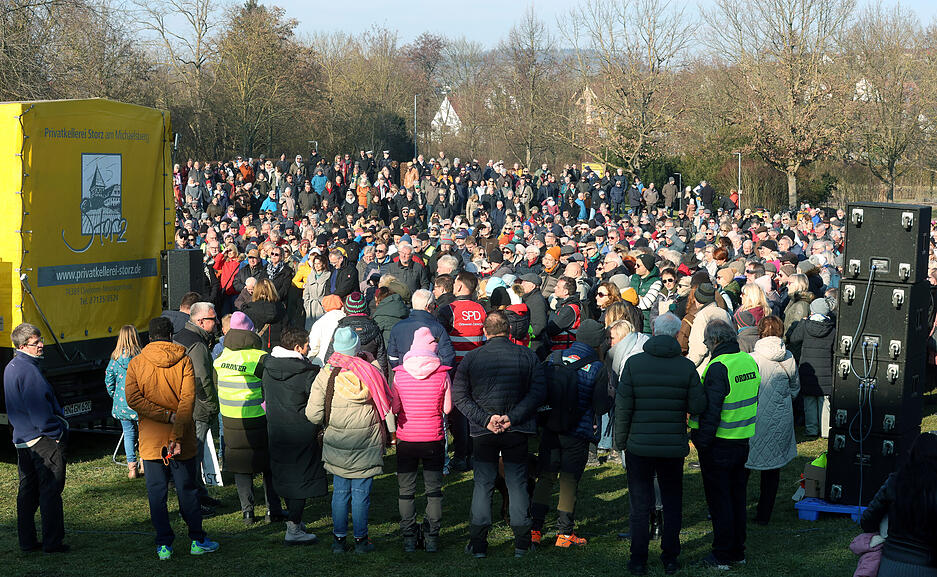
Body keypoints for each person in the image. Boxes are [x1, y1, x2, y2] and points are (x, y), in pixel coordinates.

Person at [615, 313, 705, 575]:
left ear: (653, 331)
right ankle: (670, 557)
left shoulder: (634, 364)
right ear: (677, 334)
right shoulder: (686, 367)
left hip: (639, 445)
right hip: (671, 445)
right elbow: (698, 405)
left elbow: (623, 407)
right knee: (672, 501)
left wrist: (620, 441)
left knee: (640, 503)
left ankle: (638, 559)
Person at [125, 317, 220, 561]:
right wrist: (174, 428)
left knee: (157, 494)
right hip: (182, 439)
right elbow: (188, 401)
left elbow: (133, 399)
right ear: (171, 335)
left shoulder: (137, 363)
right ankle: (197, 540)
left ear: (149, 337)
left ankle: (164, 544)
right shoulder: (184, 360)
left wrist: (162, 416)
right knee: (187, 491)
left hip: (152, 440)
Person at [453, 311, 546, 558]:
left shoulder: (472, 358)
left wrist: (486, 420)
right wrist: (510, 418)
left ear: (485, 332)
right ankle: (522, 543)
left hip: (486, 430)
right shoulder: (527, 355)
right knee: (517, 483)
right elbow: (538, 393)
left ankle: (479, 544)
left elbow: (460, 396)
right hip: (514, 428)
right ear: (509, 330)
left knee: (483, 484)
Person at [305, 327, 396, 554]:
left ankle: (338, 540)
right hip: (367, 442)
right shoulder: (371, 372)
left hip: (337, 443)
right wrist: (392, 434)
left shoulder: (326, 374)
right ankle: (361, 541)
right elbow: (386, 405)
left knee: (340, 493)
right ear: (357, 347)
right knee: (361, 494)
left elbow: (313, 415)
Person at [530, 319, 609, 548]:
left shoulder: (553, 357)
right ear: (598, 342)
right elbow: (601, 407)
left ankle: (534, 530)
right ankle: (564, 534)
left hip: (550, 428)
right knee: (568, 480)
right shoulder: (597, 367)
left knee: (545, 477)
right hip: (578, 432)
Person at [689, 320, 760, 569]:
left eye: (707, 342)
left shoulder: (719, 366)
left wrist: (701, 442)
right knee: (737, 498)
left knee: (720, 502)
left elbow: (711, 412)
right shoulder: (748, 361)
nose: (707, 346)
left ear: (715, 341)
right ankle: (737, 551)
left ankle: (722, 554)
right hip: (742, 440)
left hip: (719, 443)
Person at [212, 313, 285, 525]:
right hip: (259, 417)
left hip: (231, 418)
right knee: (268, 465)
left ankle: (247, 512)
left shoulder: (221, 357)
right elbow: (271, 386)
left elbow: (217, 385)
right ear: (251, 332)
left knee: (241, 465)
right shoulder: (260, 357)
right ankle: (273, 510)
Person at [5, 323, 69, 554]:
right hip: (41, 439)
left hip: (22, 439)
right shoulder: (28, 370)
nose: (41, 345)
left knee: (27, 492)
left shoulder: (12, 366)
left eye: (41, 340)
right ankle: (52, 542)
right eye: (36, 342)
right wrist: (56, 433)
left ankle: (27, 541)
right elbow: (40, 410)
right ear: (23, 346)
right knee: (50, 490)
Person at [391, 327, 452, 552]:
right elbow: (447, 408)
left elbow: (395, 407)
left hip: (406, 438)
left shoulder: (400, 374)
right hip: (433, 438)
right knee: (433, 491)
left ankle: (409, 536)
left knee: (406, 491)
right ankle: (432, 536)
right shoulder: (442, 374)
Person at [262, 326, 325, 545]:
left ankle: (294, 521)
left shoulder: (268, 367)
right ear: (298, 347)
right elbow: (316, 402)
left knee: (285, 475)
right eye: (307, 345)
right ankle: (294, 527)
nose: (309, 348)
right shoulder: (307, 372)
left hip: (276, 429)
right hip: (301, 431)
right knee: (301, 479)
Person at [860, 432, 937, 577]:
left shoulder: (895, 481)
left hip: (890, 565)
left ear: (912, 454)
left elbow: (867, 519)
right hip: (928, 567)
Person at [745, 316, 798, 526]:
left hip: (754, 418)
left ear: (760, 331)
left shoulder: (752, 359)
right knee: (772, 470)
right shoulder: (789, 356)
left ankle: (736, 509)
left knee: (744, 467)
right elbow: (795, 387)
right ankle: (764, 514)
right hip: (780, 417)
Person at [172, 302, 221, 514]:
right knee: (194, 456)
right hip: (197, 408)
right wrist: (211, 405)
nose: (216, 322)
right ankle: (194, 501)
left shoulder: (180, 336)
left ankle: (199, 493)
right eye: (213, 319)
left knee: (192, 454)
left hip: (182, 404)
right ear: (201, 321)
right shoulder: (198, 345)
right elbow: (203, 380)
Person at [436, 271, 487, 472]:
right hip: (477, 366)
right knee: (475, 410)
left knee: (459, 413)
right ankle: (474, 455)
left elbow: (440, 341)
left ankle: (460, 456)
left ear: (458, 286)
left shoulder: (448, 309)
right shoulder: (481, 309)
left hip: (456, 367)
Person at [788, 297, 835, 438]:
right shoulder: (832, 328)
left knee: (809, 401)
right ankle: (826, 430)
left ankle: (811, 429)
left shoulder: (805, 325)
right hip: (826, 371)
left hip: (808, 371)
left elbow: (794, 339)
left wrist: (802, 322)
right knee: (824, 402)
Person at [105, 325, 143, 479]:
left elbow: (109, 380)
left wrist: (114, 395)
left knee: (128, 434)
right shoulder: (142, 357)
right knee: (144, 434)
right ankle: (144, 464)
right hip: (140, 402)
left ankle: (132, 468)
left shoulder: (115, 359)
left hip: (122, 402)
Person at [387, 289, 455, 369]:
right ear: (429, 306)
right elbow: (448, 357)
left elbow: (392, 357)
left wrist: (401, 371)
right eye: (434, 304)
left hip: (405, 373)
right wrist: (438, 373)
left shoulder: (397, 327)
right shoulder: (438, 328)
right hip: (431, 374)